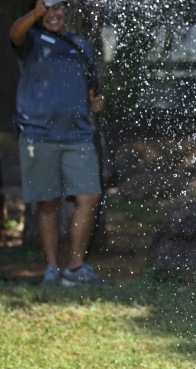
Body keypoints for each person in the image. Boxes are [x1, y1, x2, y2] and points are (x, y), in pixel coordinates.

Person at [10, 0, 108, 285]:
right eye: (46, 9)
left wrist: (97, 104)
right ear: (39, 11)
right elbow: (13, 34)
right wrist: (34, 14)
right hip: (38, 134)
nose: (53, 15)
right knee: (48, 203)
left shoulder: (82, 46)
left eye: (58, 8)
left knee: (89, 196)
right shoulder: (30, 39)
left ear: (65, 10)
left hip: (78, 135)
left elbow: (93, 92)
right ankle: (52, 269)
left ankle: (75, 267)